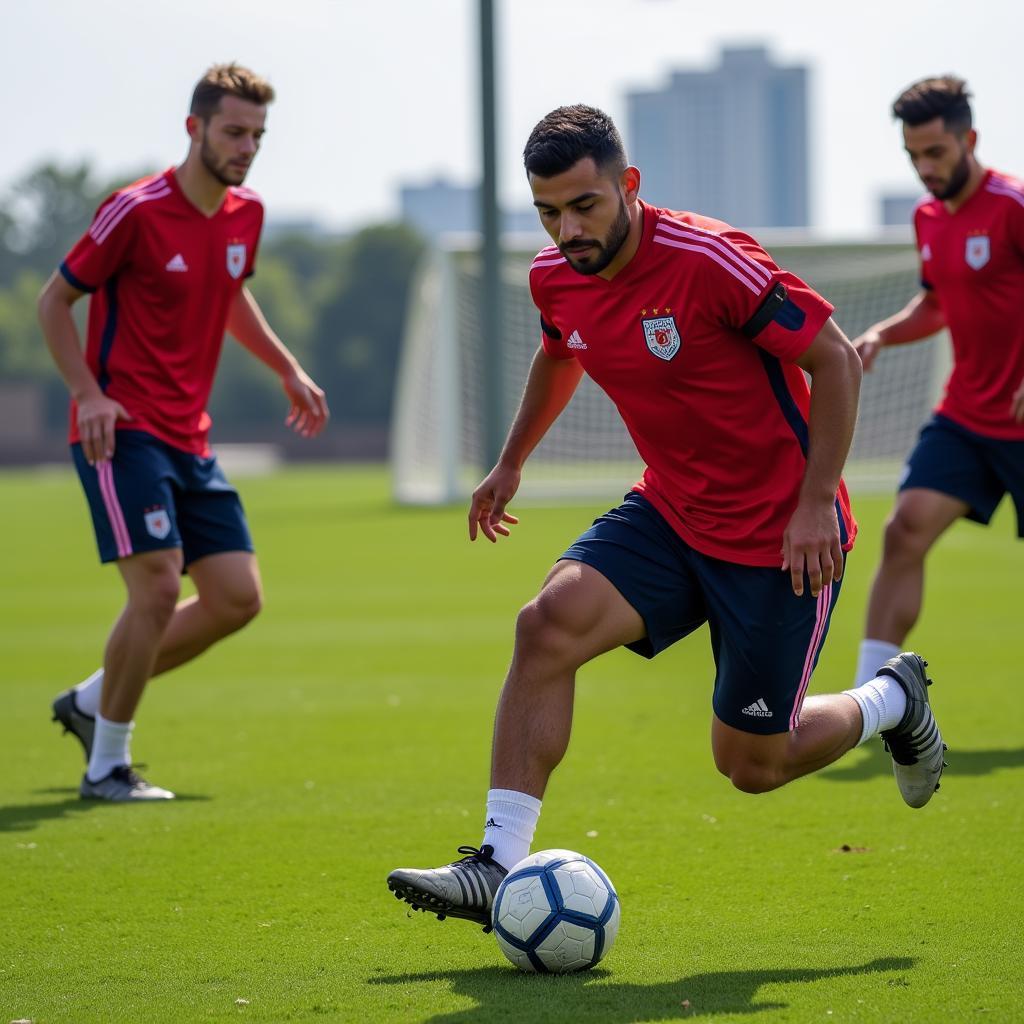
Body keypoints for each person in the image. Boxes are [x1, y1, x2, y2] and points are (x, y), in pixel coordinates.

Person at [386, 106, 946, 930]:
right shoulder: (554, 275)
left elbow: (832, 358)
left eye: (585, 206)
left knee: (751, 765)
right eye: (548, 212)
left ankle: (891, 702)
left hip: (778, 535)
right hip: (672, 512)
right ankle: (496, 863)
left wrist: (815, 499)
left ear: (628, 185)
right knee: (547, 624)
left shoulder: (710, 260)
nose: (568, 229)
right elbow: (557, 350)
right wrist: (510, 462)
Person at [38, 63, 329, 802]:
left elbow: (229, 295)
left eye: (257, 135)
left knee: (236, 598)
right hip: (121, 430)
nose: (247, 147)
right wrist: (87, 395)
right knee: (160, 586)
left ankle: (90, 698)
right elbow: (53, 302)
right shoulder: (133, 210)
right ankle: (107, 764)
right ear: (194, 128)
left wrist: (287, 368)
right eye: (234, 131)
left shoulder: (245, 213)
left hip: (191, 439)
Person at [850, 77, 1024, 690]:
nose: (925, 168)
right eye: (913, 156)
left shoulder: (1013, 206)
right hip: (968, 418)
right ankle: (872, 700)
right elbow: (937, 304)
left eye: (936, 153)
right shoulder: (928, 218)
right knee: (904, 530)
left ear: (968, 139)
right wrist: (879, 335)